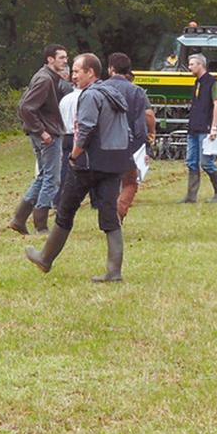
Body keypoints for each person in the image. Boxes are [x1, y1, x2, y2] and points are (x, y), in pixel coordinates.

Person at [25, 53, 131, 282]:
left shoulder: (91, 95)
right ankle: (114, 272)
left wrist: (73, 156)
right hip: (112, 163)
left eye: (77, 71)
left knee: (65, 211)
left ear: (90, 73)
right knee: (109, 217)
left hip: (88, 164)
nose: (73, 76)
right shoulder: (114, 94)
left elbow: (85, 129)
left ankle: (45, 258)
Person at [9, 44, 68, 235]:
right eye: (61, 58)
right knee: (52, 179)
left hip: (46, 133)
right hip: (48, 135)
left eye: (66, 57)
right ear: (50, 59)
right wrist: (41, 131)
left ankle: (19, 219)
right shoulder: (44, 79)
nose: (65, 61)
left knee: (43, 176)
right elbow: (26, 107)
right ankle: (41, 226)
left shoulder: (49, 77)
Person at [104, 53, 156, 220]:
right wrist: (146, 139)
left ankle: (108, 212)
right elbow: (145, 117)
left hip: (103, 143)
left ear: (111, 68)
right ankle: (118, 212)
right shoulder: (137, 91)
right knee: (130, 182)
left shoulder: (99, 89)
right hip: (128, 143)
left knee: (108, 181)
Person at [179, 53, 217, 203]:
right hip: (193, 128)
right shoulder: (196, 82)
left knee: (206, 163)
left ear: (200, 65)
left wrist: (214, 128)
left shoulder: (212, 82)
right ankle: (191, 196)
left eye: (192, 64)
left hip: (206, 129)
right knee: (191, 162)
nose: (189, 67)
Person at [53, 82, 81, 209]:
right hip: (77, 135)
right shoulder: (84, 97)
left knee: (64, 167)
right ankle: (95, 200)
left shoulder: (64, 99)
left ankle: (58, 198)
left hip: (65, 135)